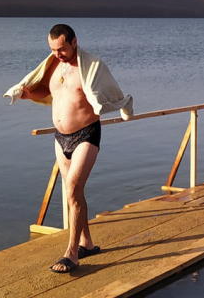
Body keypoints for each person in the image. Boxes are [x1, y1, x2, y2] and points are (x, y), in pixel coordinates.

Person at [11, 24, 132, 273]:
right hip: (61, 138)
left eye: (62, 48)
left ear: (74, 42)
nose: (57, 54)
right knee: (73, 193)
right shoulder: (53, 66)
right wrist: (27, 94)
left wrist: (120, 105)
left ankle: (72, 254)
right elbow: (48, 91)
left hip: (86, 134)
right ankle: (87, 243)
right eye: (53, 49)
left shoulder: (92, 66)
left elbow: (110, 91)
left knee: (74, 190)